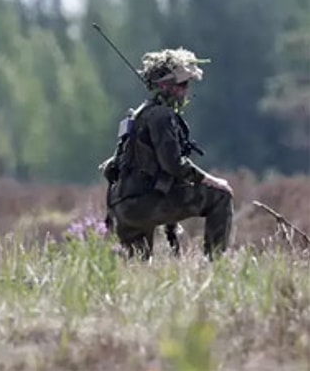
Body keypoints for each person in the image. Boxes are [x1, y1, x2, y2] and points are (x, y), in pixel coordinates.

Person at [100, 48, 234, 260]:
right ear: (164, 86)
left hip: (124, 207)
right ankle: (215, 266)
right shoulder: (161, 117)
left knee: (137, 272)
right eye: (182, 85)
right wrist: (210, 180)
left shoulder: (140, 114)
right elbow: (173, 165)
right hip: (143, 204)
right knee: (221, 197)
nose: (185, 91)